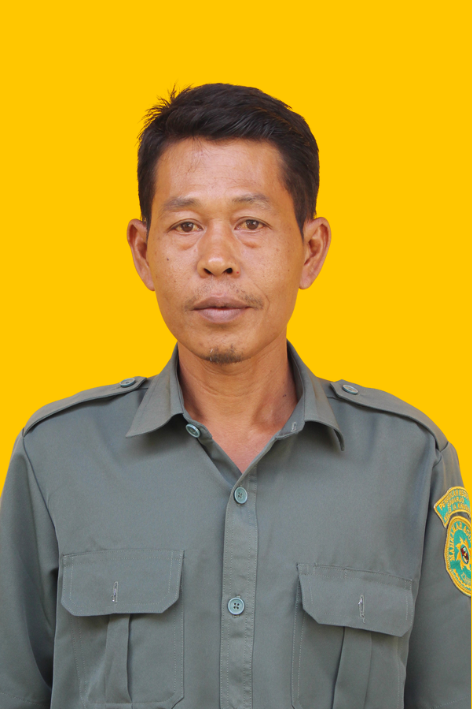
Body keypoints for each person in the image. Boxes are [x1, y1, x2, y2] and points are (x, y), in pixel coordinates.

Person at [0, 83, 470, 709]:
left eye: (251, 223)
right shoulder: (56, 459)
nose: (217, 259)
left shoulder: (411, 463)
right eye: (186, 225)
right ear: (143, 251)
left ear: (310, 250)